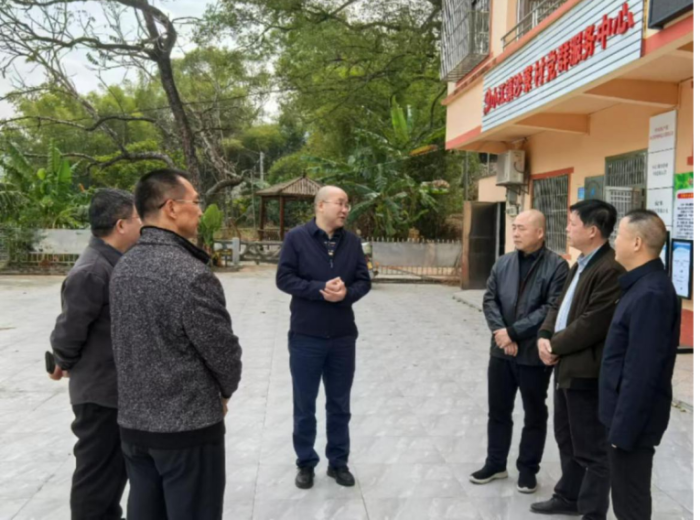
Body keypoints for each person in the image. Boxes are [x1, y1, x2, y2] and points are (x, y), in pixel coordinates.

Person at [110, 169, 243, 520]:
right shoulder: (191, 274)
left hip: (134, 427)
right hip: (187, 431)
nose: (199, 210)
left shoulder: (123, 267)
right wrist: (225, 392)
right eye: (195, 202)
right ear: (171, 207)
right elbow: (224, 354)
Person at [50, 189, 142, 520]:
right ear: (121, 225)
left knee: (113, 478)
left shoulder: (115, 263)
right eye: (138, 218)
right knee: (97, 482)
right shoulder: (91, 271)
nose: (142, 224)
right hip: (100, 396)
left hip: (117, 391)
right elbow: (68, 332)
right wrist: (63, 360)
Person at [532, 200, 625, 520]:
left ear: (592, 230)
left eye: (572, 223)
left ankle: (592, 512)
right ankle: (568, 496)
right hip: (565, 367)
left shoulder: (610, 269)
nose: (567, 228)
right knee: (566, 437)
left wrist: (554, 345)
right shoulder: (581, 263)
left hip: (587, 371)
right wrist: (544, 335)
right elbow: (558, 306)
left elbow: (591, 323)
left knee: (592, 448)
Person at [277, 186, 372, 490]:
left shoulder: (352, 242)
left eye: (347, 204)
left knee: (340, 405)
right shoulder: (296, 238)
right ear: (320, 205)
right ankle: (306, 463)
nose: (345, 209)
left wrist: (346, 294)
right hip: (306, 336)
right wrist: (319, 289)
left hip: (342, 337)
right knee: (304, 405)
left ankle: (338, 463)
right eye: (340, 203)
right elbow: (284, 278)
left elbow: (364, 281)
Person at [472, 210, 569, 494]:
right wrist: (501, 334)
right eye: (514, 227)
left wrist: (513, 333)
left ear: (540, 232)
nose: (515, 233)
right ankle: (495, 463)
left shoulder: (557, 266)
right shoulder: (503, 263)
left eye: (522, 228)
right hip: (501, 352)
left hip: (533, 353)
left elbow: (551, 308)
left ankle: (528, 470)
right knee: (498, 410)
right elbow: (490, 300)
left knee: (534, 413)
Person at [600, 210, 681, 520]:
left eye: (618, 236)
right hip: (623, 418)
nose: (614, 242)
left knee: (630, 502)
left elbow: (642, 372)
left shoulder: (651, 294)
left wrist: (622, 431)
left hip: (632, 424)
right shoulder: (639, 286)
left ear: (636, 242)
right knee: (624, 497)